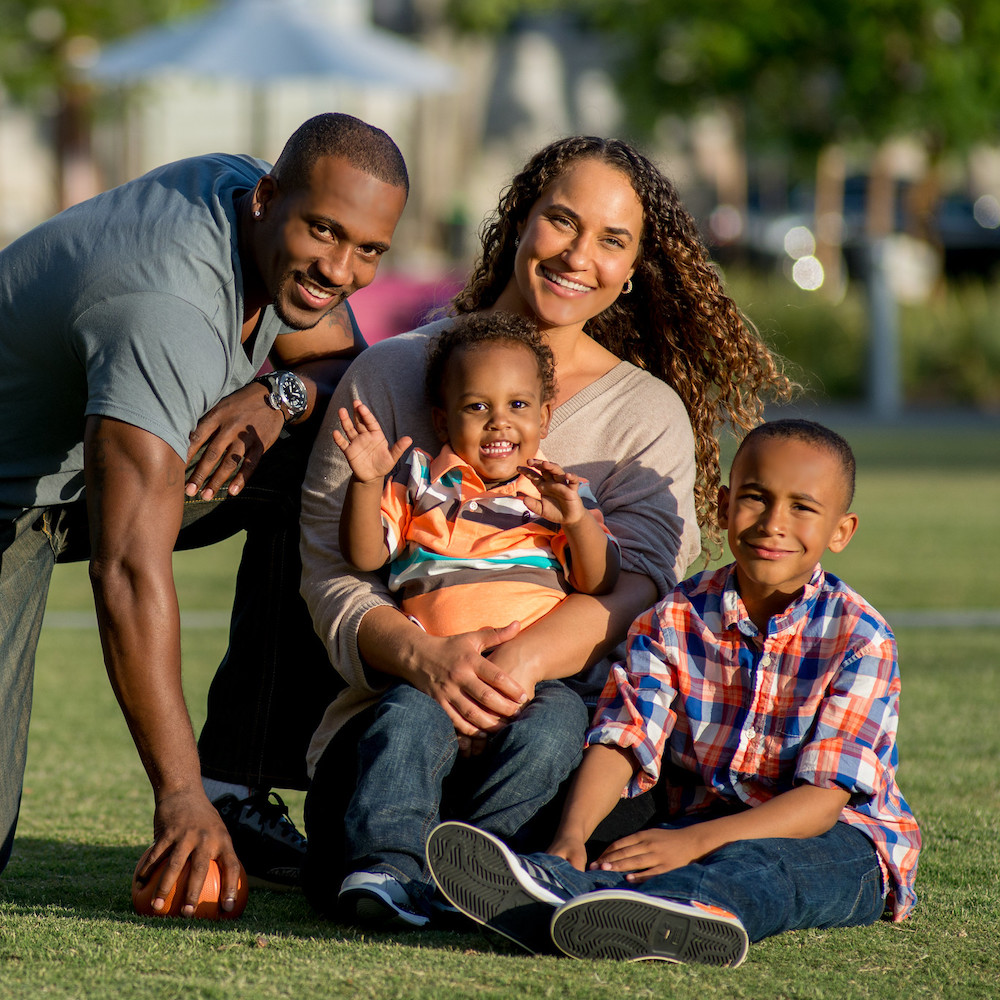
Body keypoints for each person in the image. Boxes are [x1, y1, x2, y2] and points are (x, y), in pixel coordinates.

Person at [298, 136, 793, 926]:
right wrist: (427, 661)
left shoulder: (645, 414)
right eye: (562, 221)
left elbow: (641, 588)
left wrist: (512, 668)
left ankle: (492, 879)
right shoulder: (394, 373)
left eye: (612, 240)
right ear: (519, 222)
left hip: (557, 741)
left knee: (595, 822)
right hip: (394, 727)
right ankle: (394, 868)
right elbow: (334, 572)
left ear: (632, 270)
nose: (578, 256)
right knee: (365, 842)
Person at [0, 112, 408, 915]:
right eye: (324, 232)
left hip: (93, 463)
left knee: (330, 455)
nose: (341, 269)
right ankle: (202, 793)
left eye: (369, 249)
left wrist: (276, 396)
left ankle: (233, 781)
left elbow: (344, 370)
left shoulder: (252, 196)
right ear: (266, 200)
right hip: (8, 501)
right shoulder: (164, 307)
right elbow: (127, 569)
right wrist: (172, 795)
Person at [425, 419, 922, 966]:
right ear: (724, 504)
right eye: (755, 499)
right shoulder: (675, 615)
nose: (773, 523)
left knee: (762, 871)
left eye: (802, 507)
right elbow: (624, 736)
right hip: (697, 814)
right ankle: (555, 881)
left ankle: (677, 911)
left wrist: (695, 842)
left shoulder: (859, 637)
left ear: (841, 530)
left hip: (835, 840)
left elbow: (821, 804)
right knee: (587, 824)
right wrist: (572, 834)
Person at [330, 313, 619, 925]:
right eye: (476, 406)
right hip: (432, 677)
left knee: (557, 732)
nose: (498, 422)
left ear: (544, 417)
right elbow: (364, 556)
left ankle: (484, 864)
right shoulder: (416, 483)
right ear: (442, 420)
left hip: (537, 687)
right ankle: (387, 865)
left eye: (517, 404)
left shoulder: (558, 494)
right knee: (398, 731)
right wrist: (366, 482)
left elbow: (600, 583)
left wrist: (574, 517)